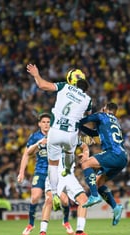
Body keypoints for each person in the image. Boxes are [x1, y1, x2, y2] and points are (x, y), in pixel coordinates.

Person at [26, 64, 92, 210]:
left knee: (53, 165)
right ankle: (68, 170)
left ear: (70, 79)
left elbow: (42, 85)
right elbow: (87, 116)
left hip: (55, 132)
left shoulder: (64, 87)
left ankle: (54, 193)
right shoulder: (88, 99)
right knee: (69, 154)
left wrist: (36, 74)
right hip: (70, 134)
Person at [18, 113, 73, 235]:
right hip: (41, 171)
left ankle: (66, 221)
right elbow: (27, 154)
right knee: (35, 197)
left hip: (56, 171)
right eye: (43, 122)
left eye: (48, 122)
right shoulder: (35, 137)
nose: (46, 124)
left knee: (64, 200)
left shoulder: (56, 135)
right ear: (39, 124)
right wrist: (21, 172)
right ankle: (31, 224)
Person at [78, 102, 127, 226]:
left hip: (112, 153)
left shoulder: (101, 115)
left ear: (105, 108)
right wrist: (79, 126)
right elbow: (94, 133)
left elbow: (86, 119)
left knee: (85, 164)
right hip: (123, 157)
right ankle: (116, 207)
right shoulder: (115, 121)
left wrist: (76, 121)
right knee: (98, 183)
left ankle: (94, 195)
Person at [37, 137, 92, 235]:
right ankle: (42, 232)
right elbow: (36, 148)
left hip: (69, 174)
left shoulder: (73, 136)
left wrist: (86, 153)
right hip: (54, 174)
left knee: (84, 200)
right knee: (49, 200)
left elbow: (84, 145)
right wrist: (40, 145)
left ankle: (79, 232)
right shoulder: (51, 137)